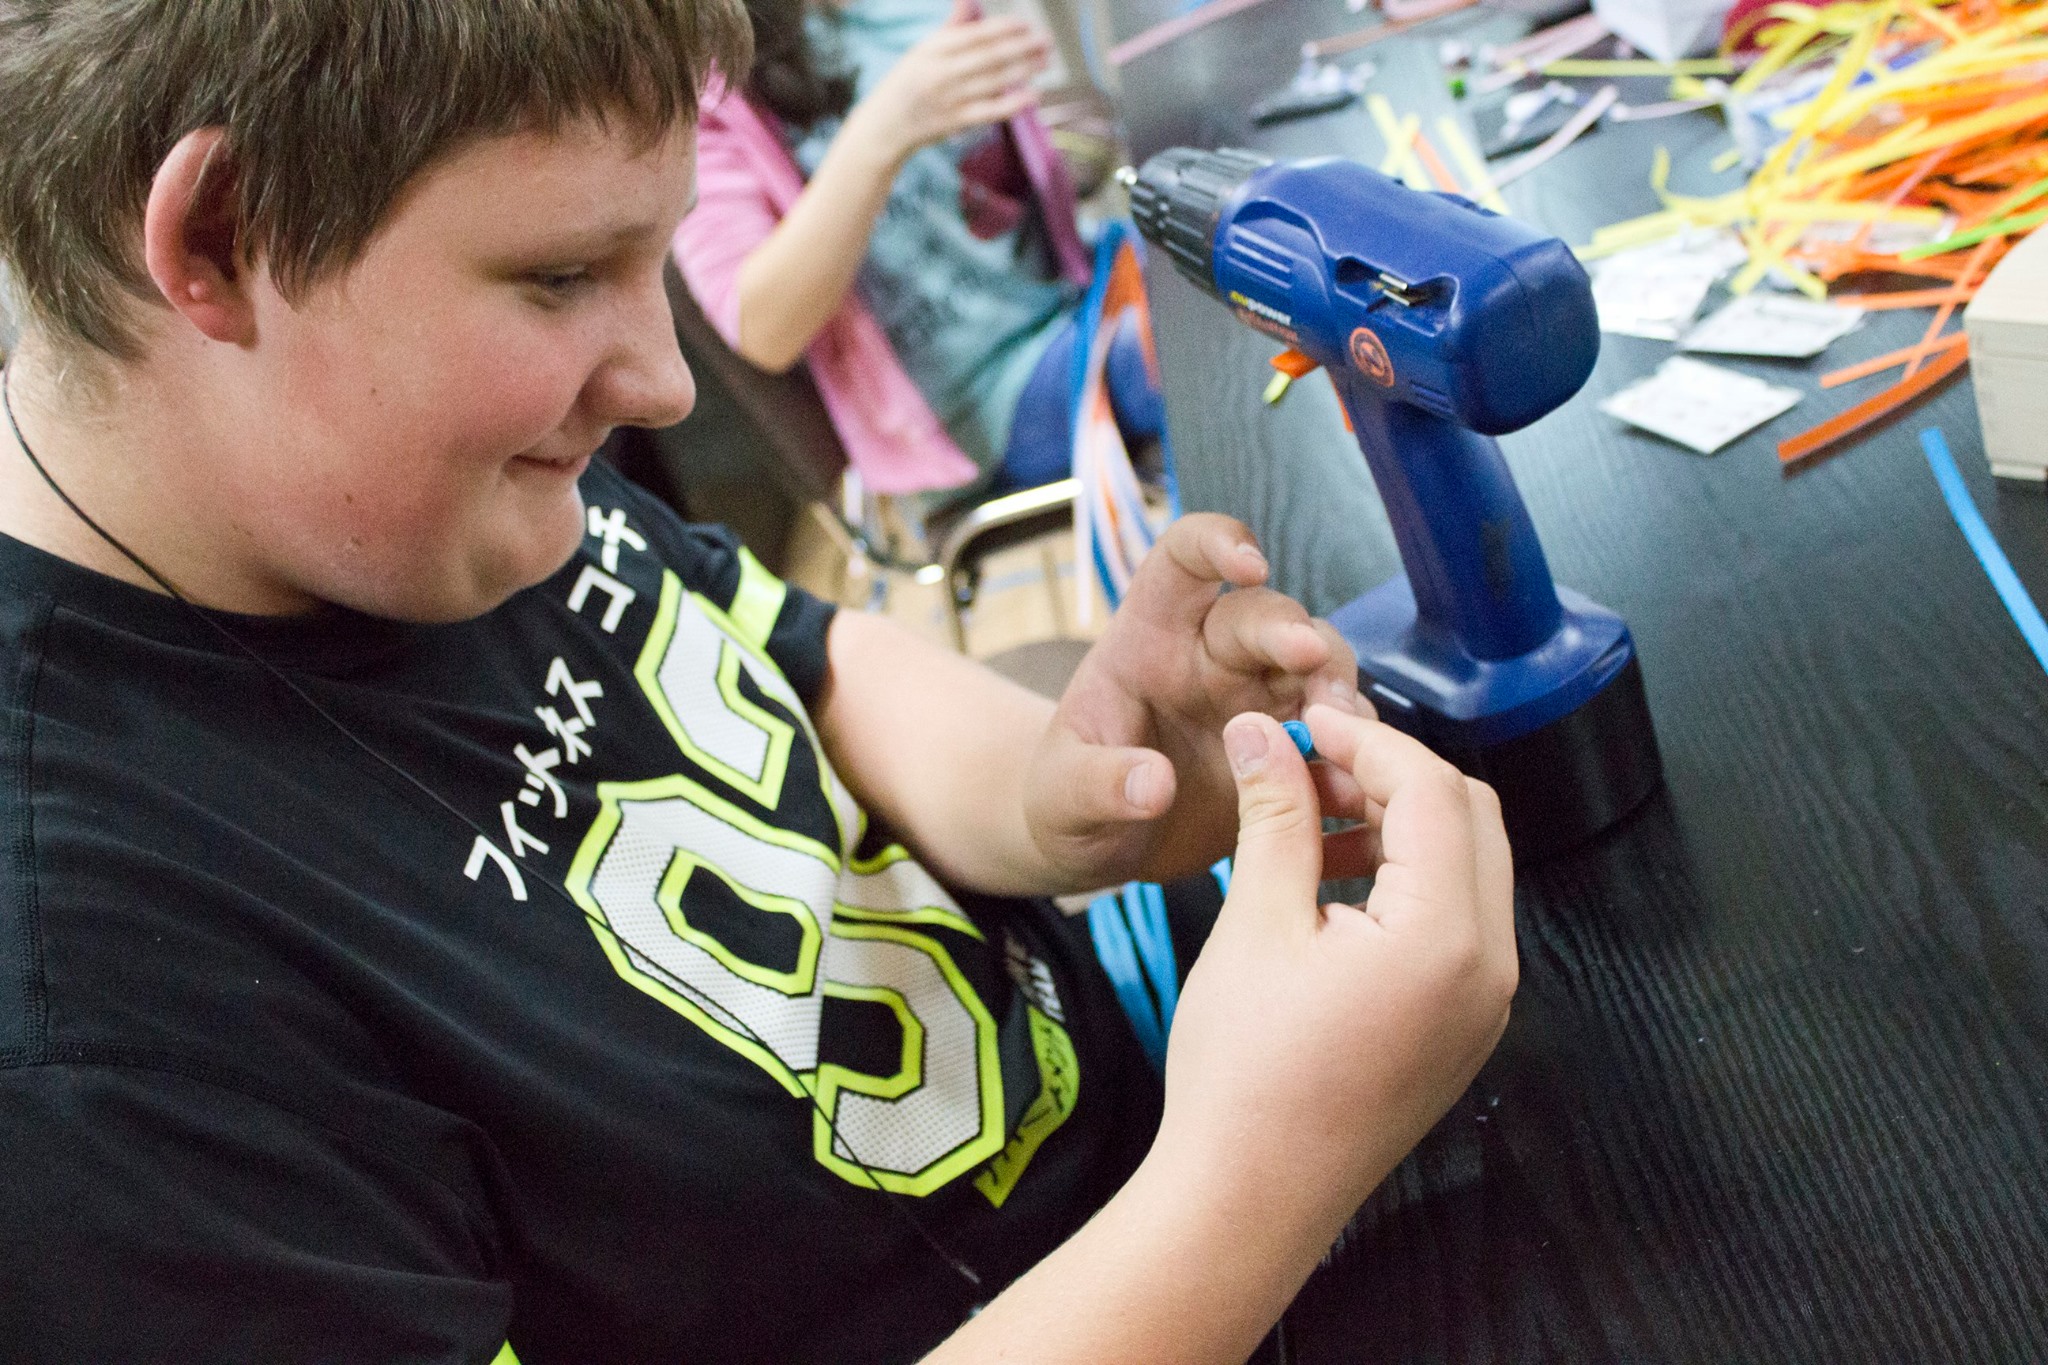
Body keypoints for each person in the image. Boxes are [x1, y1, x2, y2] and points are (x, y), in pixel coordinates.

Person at [0, 3, 1518, 1363]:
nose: (662, 382)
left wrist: (1059, 794)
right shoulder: (93, 1032)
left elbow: (792, 654)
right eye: (561, 277)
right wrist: (1252, 1182)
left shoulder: (385, 486)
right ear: (224, 238)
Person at [675, 0, 1164, 502]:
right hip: (987, 400)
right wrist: (885, 129)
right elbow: (761, 327)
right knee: (1173, 347)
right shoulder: (703, 101)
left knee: (1203, 246)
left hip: (1079, 286)